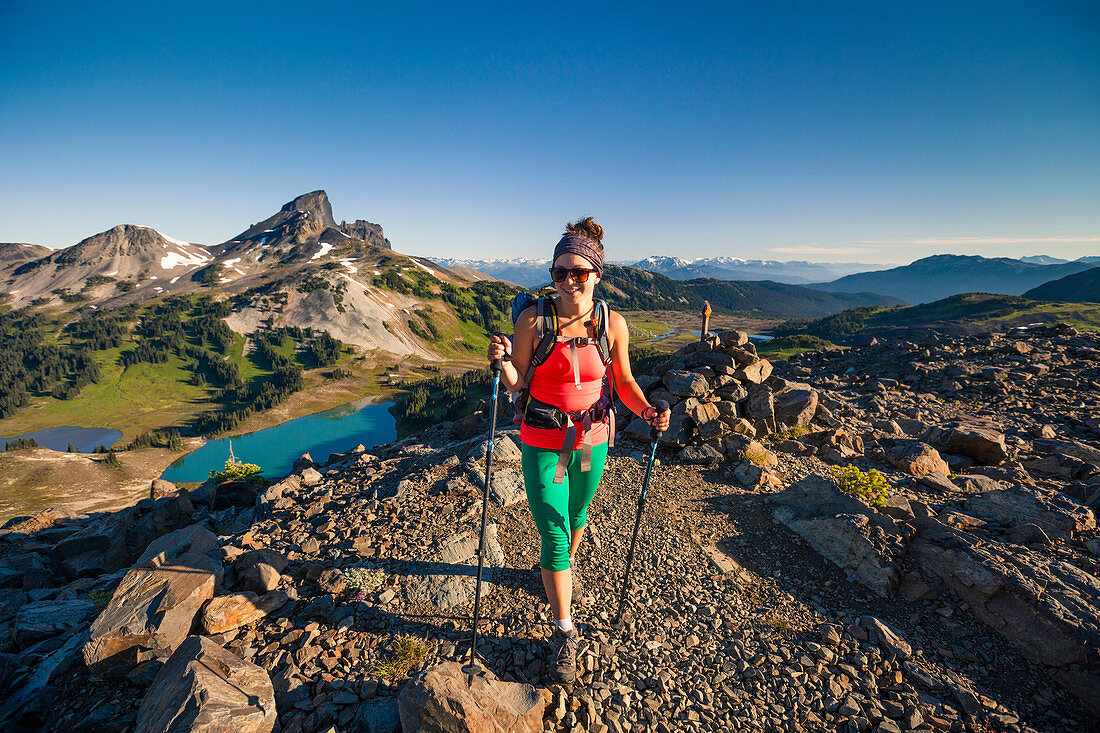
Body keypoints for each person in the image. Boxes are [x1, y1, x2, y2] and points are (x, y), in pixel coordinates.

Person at [487, 217, 671, 684]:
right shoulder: (534, 319)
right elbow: (519, 385)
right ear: (551, 274)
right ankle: (564, 630)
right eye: (560, 272)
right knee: (552, 528)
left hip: (591, 440)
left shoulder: (613, 323)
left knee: (578, 512)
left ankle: (557, 572)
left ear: (597, 274)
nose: (569, 280)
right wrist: (504, 363)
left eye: (579, 271)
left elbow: (623, 382)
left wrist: (648, 411)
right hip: (543, 438)